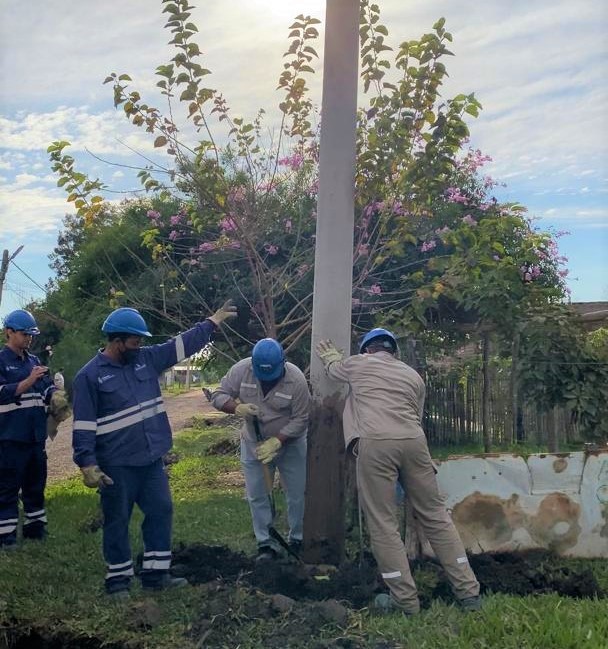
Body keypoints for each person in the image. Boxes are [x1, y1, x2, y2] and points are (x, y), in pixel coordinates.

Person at [71, 302, 236, 598]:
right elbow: (83, 425)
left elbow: (179, 346)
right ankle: (118, 581)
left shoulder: (145, 360)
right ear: (117, 341)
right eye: (135, 341)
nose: (139, 345)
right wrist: (86, 463)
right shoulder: (89, 376)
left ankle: (156, 575)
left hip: (150, 460)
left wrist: (211, 323)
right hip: (116, 464)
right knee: (117, 519)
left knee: (161, 510)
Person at [316, 328, 481, 615]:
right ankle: (469, 595)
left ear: (367, 349)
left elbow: (333, 371)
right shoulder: (412, 376)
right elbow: (415, 415)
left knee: (383, 523)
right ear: (393, 351)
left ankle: (404, 601)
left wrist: (332, 359)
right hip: (414, 444)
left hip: (377, 443)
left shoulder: (358, 363)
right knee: (437, 518)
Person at [210, 338, 310, 561]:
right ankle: (266, 543)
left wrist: (278, 440)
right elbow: (218, 396)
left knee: (297, 493)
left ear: (282, 363)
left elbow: (302, 418)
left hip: (290, 444)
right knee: (257, 494)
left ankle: (298, 539)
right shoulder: (241, 370)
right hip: (253, 442)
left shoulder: (296, 380)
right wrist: (236, 408)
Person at [0, 310, 69, 548]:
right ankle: (6, 537)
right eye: (24, 334)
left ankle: (35, 530)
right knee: (7, 488)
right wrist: (28, 381)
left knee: (35, 485)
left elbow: (45, 388)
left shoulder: (34, 361)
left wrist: (55, 396)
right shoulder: (1, 361)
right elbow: (3, 393)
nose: (29, 338)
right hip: (10, 437)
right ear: (9, 332)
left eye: (31, 334)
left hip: (35, 437)